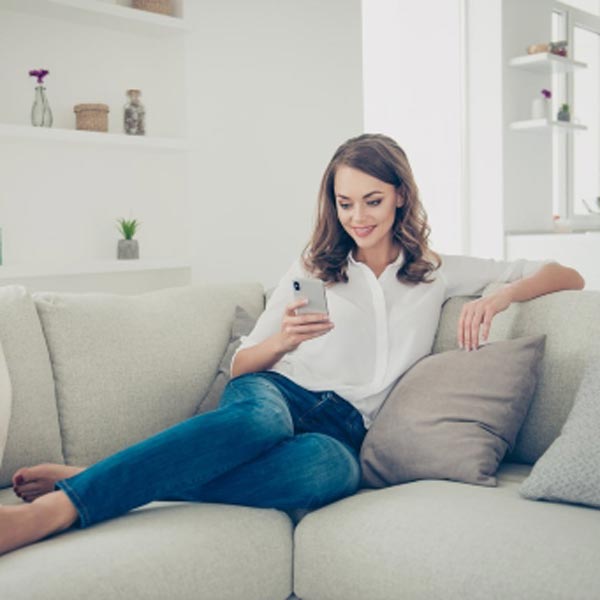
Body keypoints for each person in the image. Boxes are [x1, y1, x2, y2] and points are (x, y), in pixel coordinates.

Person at [1, 133, 584, 556]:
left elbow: (566, 273)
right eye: (345, 201)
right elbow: (240, 364)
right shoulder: (316, 265)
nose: (357, 216)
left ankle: (102, 472)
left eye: (373, 201)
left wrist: (499, 298)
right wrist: (281, 341)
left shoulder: (433, 272)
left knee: (329, 474)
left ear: (401, 196)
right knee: (259, 427)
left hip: (343, 430)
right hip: (276, 392)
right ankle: (58, 510)